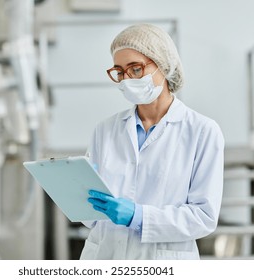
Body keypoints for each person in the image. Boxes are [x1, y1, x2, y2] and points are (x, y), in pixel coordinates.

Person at [80, 23, 224, 260]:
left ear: (163, 65)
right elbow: (90, 219)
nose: (126, 79)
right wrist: (82, 194)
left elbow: (203, 217)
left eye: (135, 69)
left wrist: (139, 217)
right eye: (119, 71)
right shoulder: (105, 130)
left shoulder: (202, 131)